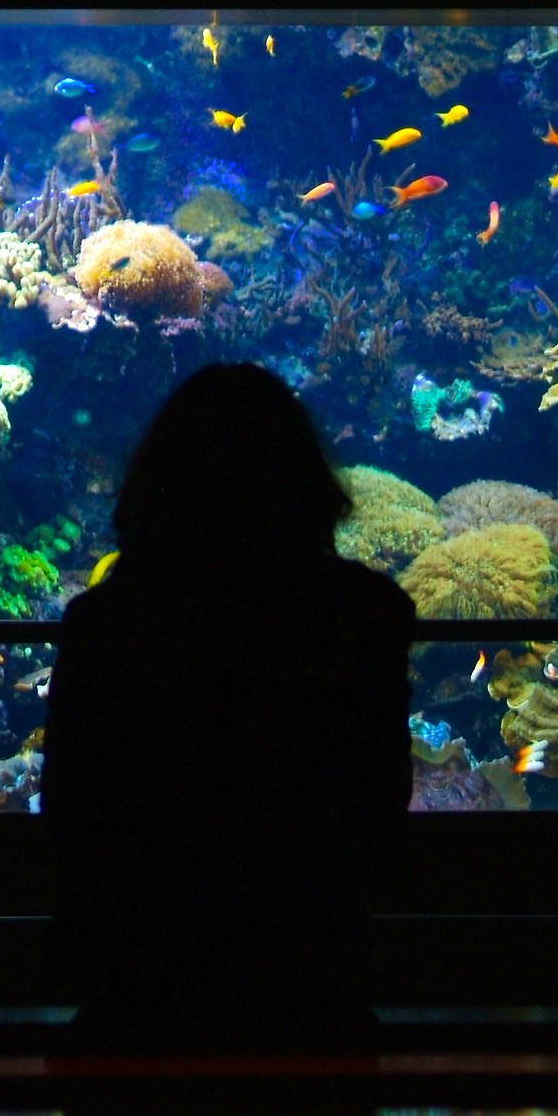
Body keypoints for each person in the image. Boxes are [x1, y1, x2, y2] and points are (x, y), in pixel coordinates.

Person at [42, 363, 415, 1050]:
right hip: (313, 974)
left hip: (139, 982)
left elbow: (70, 812)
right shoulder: (367, 615)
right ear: (306, 480)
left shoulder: (106, 625)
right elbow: (379, 809)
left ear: (158, 482)